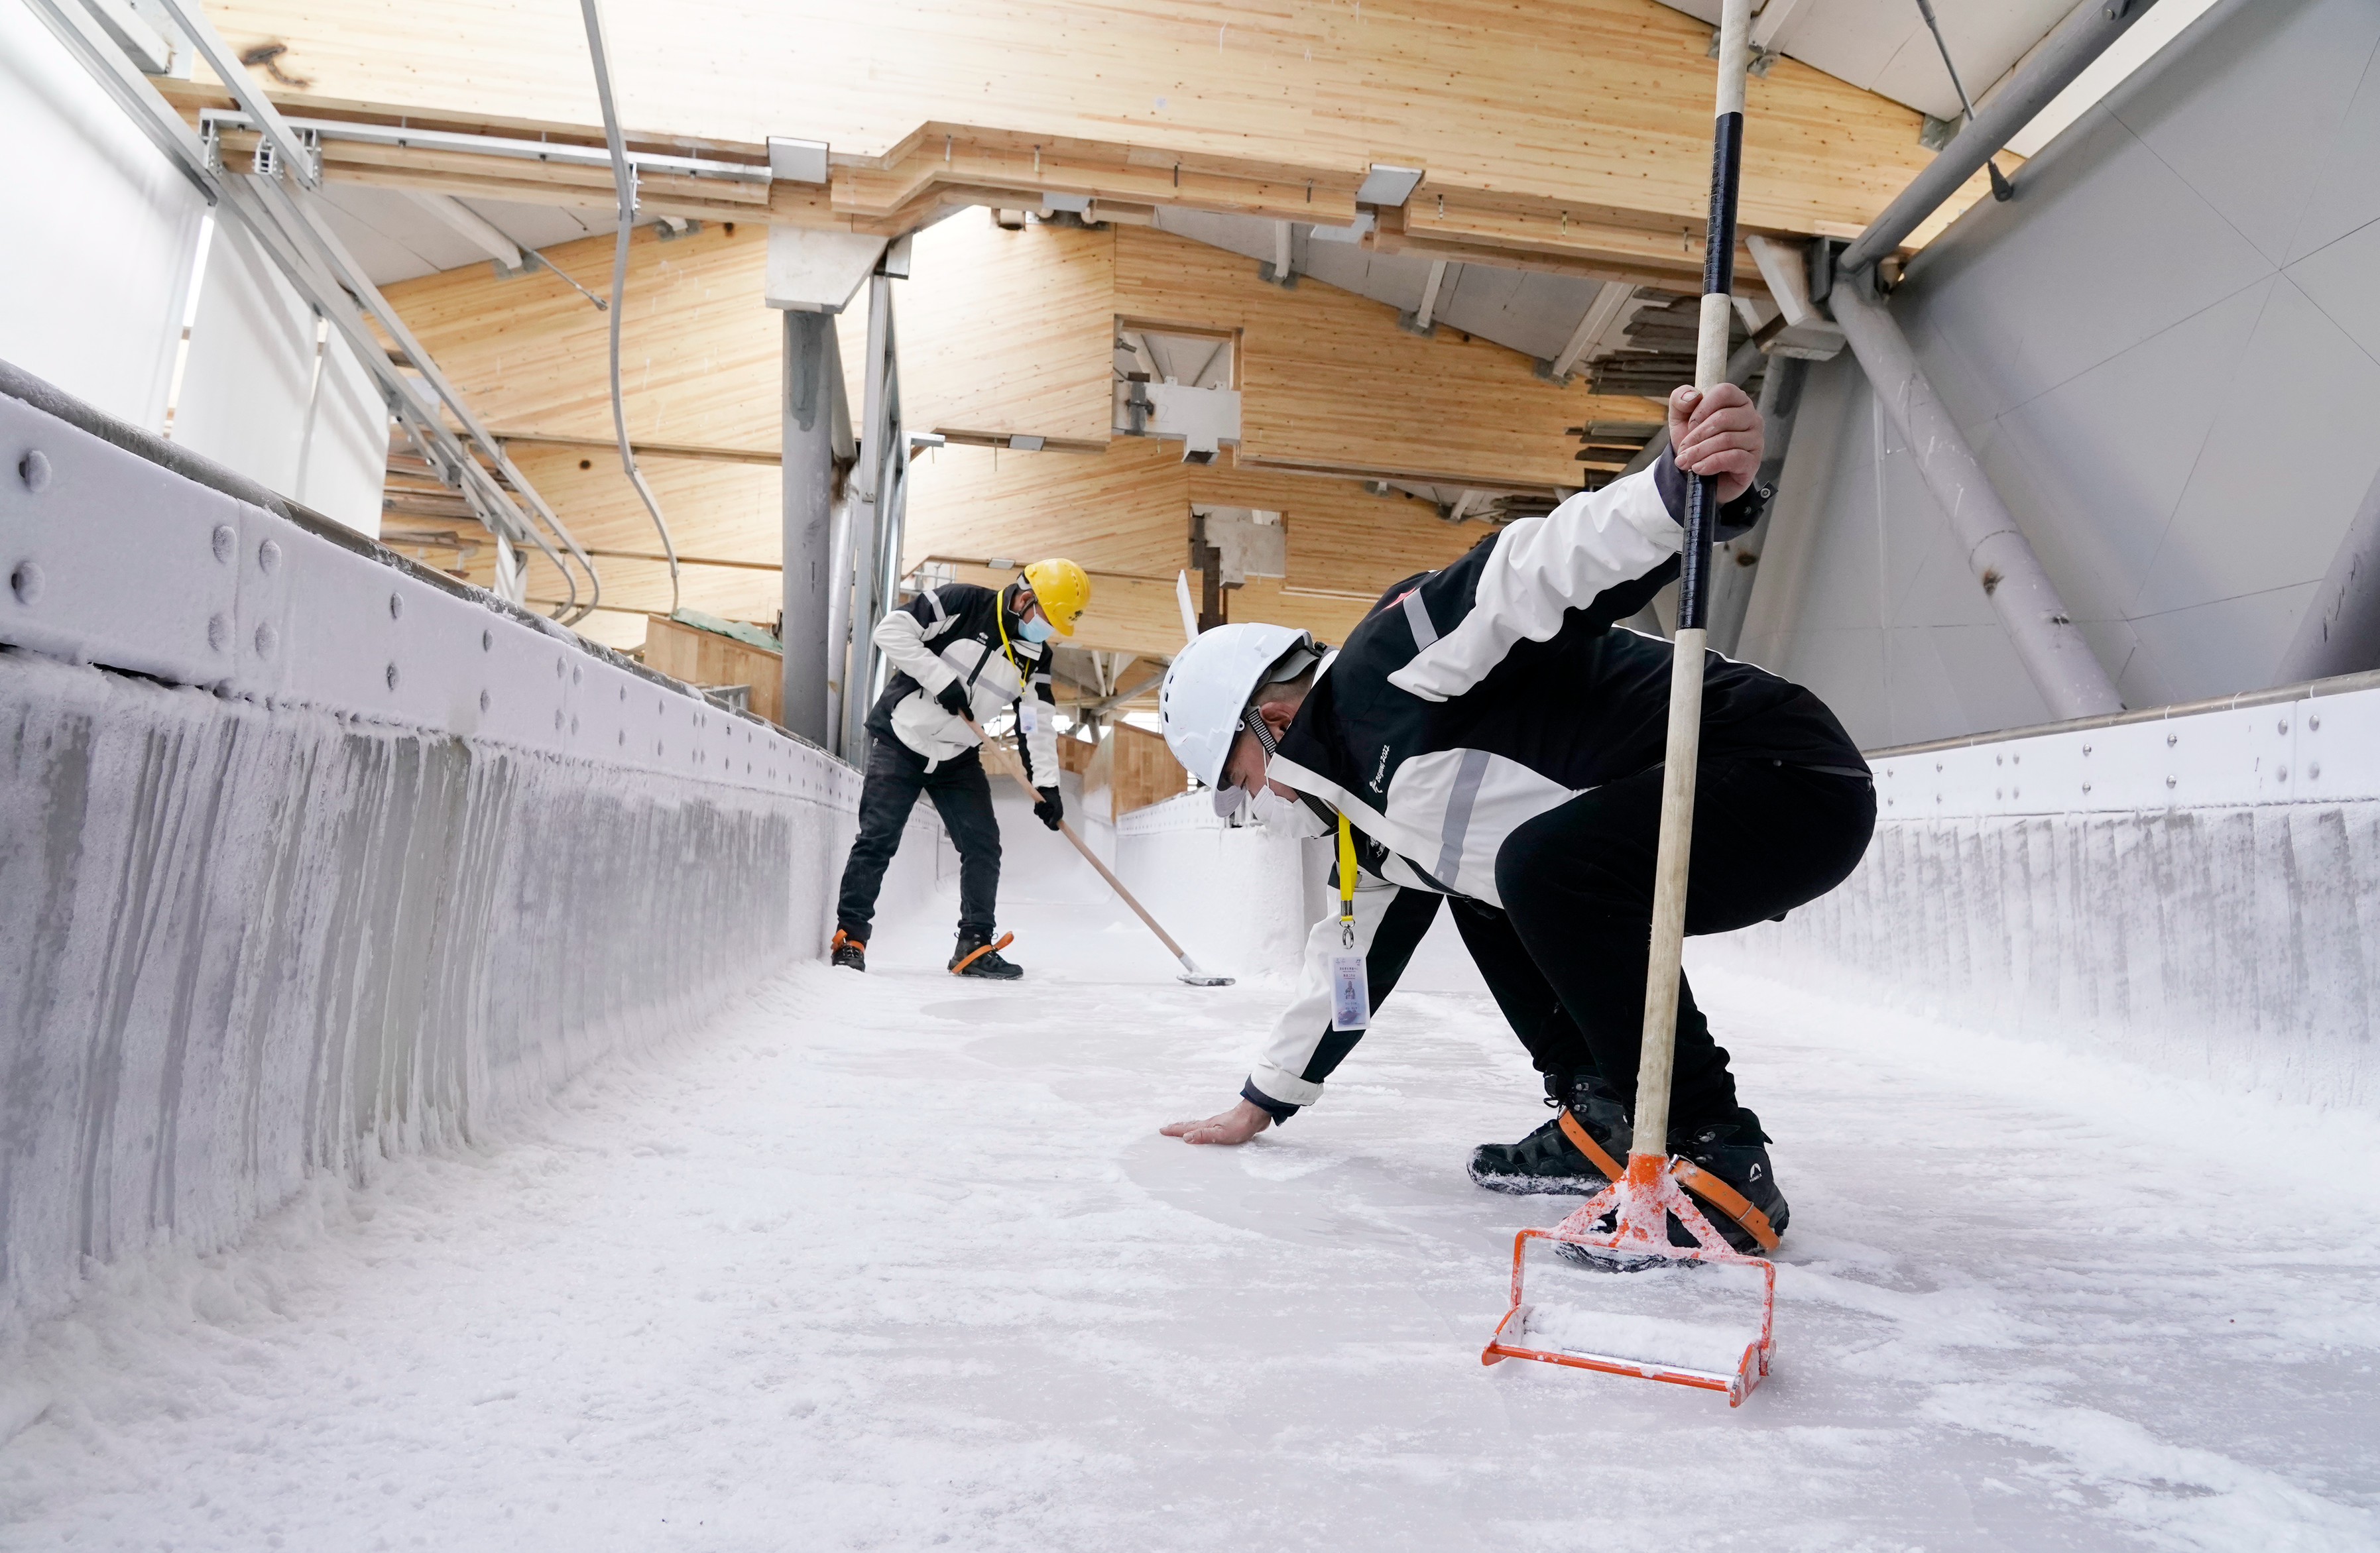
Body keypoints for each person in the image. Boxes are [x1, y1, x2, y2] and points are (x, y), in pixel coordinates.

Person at [1154, 384, 1874, 1253]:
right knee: (1491, 875)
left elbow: (1529, 572)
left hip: (1774, 773)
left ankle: (1715, 1153)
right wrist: (1258, 1100)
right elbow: (1348, 971)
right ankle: (1598, 1113)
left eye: (1240, 779)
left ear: (1268, 722)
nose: (1259, 805)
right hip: (1686, 815)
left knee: (1535, 865)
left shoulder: (1388, 666)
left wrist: (1675, 496)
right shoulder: (1373, 829)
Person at [829, 559, 1091, 979]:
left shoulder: (1035, 658)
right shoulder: (963, 603)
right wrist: (941, 681)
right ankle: (851, 937)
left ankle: (973, 944)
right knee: (878, 838)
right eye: (1047, 618)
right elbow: (890, 631)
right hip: (903, 739)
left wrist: (1048, 786)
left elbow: (1035, 722)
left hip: (957, 755)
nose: (1048, 630)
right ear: (1026, 599)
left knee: (983, 846)